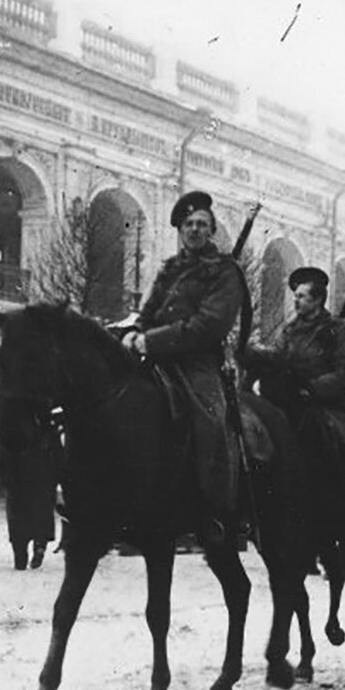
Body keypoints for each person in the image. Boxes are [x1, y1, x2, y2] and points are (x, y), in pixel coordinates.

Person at [122, 190, 244, 544]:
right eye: (188, 224)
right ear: (180, 229)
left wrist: (153, 340)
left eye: (201, 224)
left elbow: (210, 325)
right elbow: (148, 312)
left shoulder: (225, 272)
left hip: (198, 364)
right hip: (157, 358)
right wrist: (134, 332)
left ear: (212, 230)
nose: (194, 229)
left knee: (209, 420)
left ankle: (214, 509)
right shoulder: (170, 269)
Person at [265, 266, 345, 576]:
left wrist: (313, 388)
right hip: (292, 405)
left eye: (302, 296)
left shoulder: (339, 330)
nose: (296, 302)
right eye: (295, 296)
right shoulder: (289, 331)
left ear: (318, 299)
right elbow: (277, 358)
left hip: (329, 408)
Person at [0, 399, 59, 570]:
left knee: (21, 517)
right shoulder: (46, 428)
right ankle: (35, 548)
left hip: (25, 478)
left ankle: (23, 553)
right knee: (38, 516)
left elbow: (4, 450)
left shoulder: (15, 424)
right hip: (37, 478)